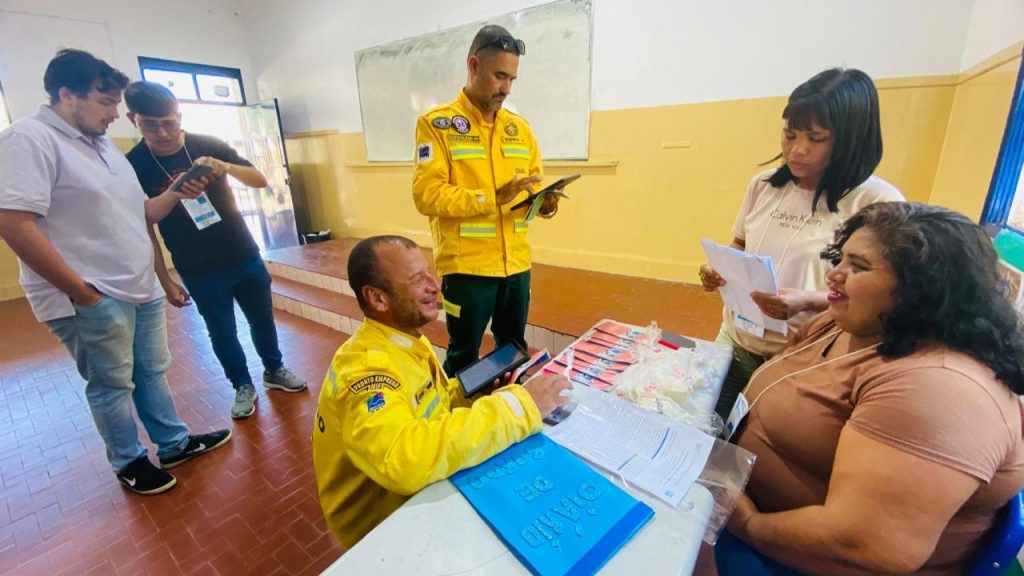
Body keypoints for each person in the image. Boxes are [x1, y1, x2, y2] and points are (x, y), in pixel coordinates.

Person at [716, 202, 1024, 575]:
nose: (834, 275)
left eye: (858, 267)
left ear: (922, 290)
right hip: (748, 514)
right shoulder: (847, 324)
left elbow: (862, 544)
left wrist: (745, 524)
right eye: (841, 259)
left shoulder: (939, 389)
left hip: (793, 556)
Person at [0, 49, 230, 495]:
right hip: (92, 295)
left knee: (150, 372)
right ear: (67, 94)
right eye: (105, 103)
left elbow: (140, 212)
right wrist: (83, 293)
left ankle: (174, 442)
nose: (114, 114)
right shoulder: (29, 139)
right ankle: (128, 461)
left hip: (137, 286)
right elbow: (12, 221)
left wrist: (178, 191)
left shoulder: (104, 145)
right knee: (111, 383)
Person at [311, 235, 572, 548]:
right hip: (380, 533)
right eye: (417, 279)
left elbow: (430, 401)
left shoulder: (405, 338)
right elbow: (406, 460)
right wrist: (519, 407)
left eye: (430, 273)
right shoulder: (368, 373)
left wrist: (471, 393)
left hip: (414, 499)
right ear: (378, 299)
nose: (435, 286)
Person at [699, 68, 905, 421]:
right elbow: (740, 243)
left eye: (816, 138)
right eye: (789, 134)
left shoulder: (876, 203)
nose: (797, 150)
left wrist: (806, 301)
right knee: (702, 426)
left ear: (850, 140)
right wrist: (718, 268)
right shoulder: (763, 185)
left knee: (761, 445)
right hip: (736, 338)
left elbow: (884, 294)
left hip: (804, 355)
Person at [123, 81, 306, 420]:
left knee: (262, 320)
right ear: (133, 119)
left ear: (179, 115)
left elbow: (260, 179)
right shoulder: (132, 164)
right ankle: (241, 385)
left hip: (244, 253)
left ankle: (274, 370)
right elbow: (143, 226)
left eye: (169, 122)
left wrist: (226, 167)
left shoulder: (206, 145)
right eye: (150, 124)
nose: (162, 132)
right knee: (221, 331)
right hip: (197, 267)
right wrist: (165, 280)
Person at [412, 24, 562, 377]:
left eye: (512, 79)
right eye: (499, 76)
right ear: (474, 65)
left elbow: (530, 188)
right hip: (468, 270)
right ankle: (458, 425)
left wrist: (545, 204)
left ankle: (507, 414)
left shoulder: (519, 128)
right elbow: (426, 195)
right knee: (464, 357)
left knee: (513, 352)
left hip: (516, 267)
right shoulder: (437, 125)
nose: (506, 88)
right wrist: (491, 199)